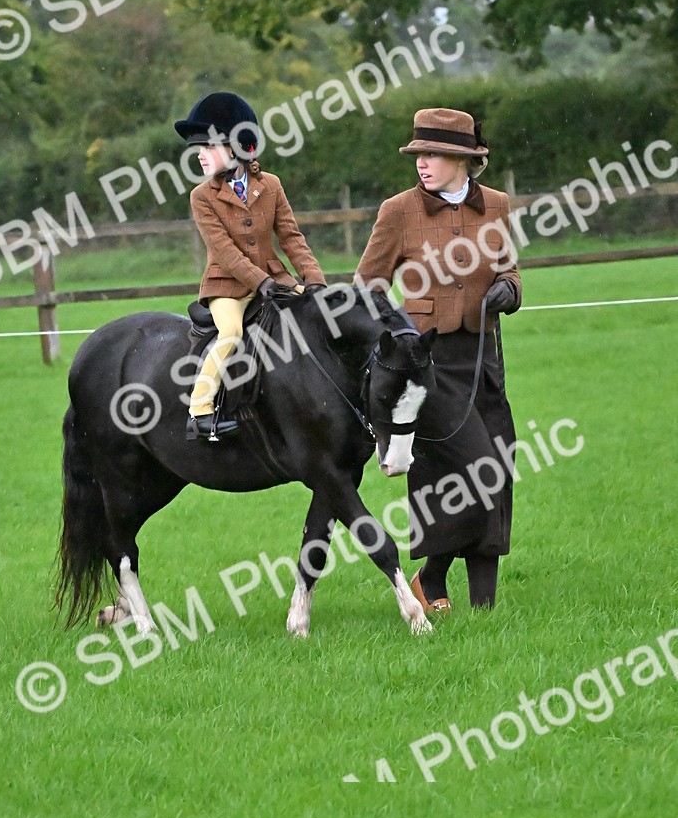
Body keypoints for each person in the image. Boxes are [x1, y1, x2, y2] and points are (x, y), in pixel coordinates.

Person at [355, 107, 522, 611]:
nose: (421, 163)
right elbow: (366, 288)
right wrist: (401, 333)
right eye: (418, 155)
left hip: (483, 356)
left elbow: (512, 273)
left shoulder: (497, 205)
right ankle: (431, 576)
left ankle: (483, 604)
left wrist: (506, 292)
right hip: (425, 363)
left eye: (431, 154)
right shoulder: (398, 210)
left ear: (461, 159)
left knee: (498, 464)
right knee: (468, 467)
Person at [175, 91, 327, 439]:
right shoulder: (201, 197)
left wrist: (313, 279)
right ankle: (199, 411)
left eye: (208, 147)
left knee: (316, 318)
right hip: (227, 285)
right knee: (231, 335)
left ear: (236, 148)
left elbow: (291, 237)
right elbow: (225, 252)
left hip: (274, 278)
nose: (199, 155)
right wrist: (261, 282)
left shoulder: (270, 185)